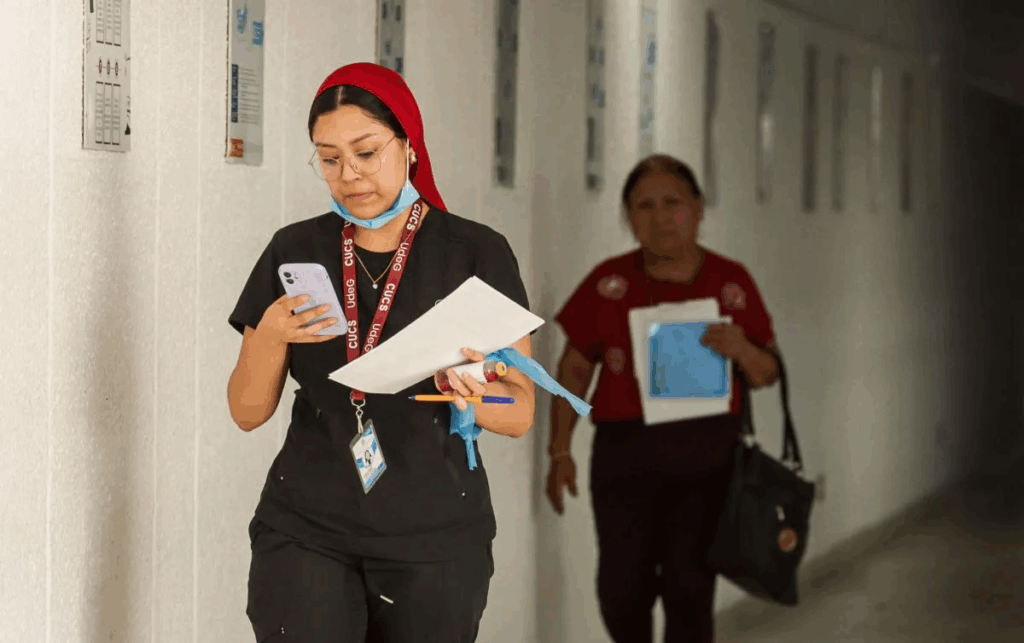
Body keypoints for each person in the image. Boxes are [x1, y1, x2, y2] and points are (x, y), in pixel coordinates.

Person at [226, 62, 535, 642]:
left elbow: (518, 413)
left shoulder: (474, 252)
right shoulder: (295, 249)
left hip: (434, 536)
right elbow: (246, 412)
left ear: (409, 146)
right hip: (306, 525)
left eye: (366, 153)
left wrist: (473, 392)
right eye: (329, 159)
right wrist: (268, 335)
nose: (350, 175)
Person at [545, 154, 781, 643]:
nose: (660, 218)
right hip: (624, 457)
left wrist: (740, 348)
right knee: (621, 589)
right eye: (644, 206)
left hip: (707, 459)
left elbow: (767, 373)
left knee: (689, 589)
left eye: (672, 203)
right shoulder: (608, 283)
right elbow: (574, 368)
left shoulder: (730, 281)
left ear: (698, 208)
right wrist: (560, 450)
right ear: (628, 217)